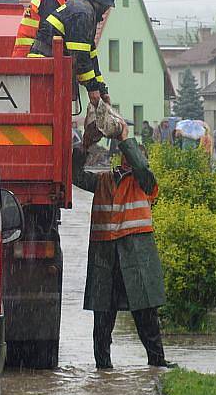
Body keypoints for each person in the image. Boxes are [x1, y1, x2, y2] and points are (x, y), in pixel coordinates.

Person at [72, 119, 176, 370]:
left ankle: (157, 362)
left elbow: (140, 166)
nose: (132, 157)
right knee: (103, 318)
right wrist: (85, 145)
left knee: (146, 314)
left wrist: (124, 137)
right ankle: (103, 368)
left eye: (135, 153)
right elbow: (74, 176)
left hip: (136, 257)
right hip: (106, 257)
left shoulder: (145, 181)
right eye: (128, 152)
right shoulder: (104, 180)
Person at [29, 0, 121, 143]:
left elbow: (91, 56)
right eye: (107, 6)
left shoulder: (86, 12)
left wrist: (101, 88)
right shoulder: (84, 15)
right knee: (46, 118)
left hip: (49, 65)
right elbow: (79, 57)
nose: (107, 11)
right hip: (43, 66)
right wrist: (92, 90)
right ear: (101, 3)